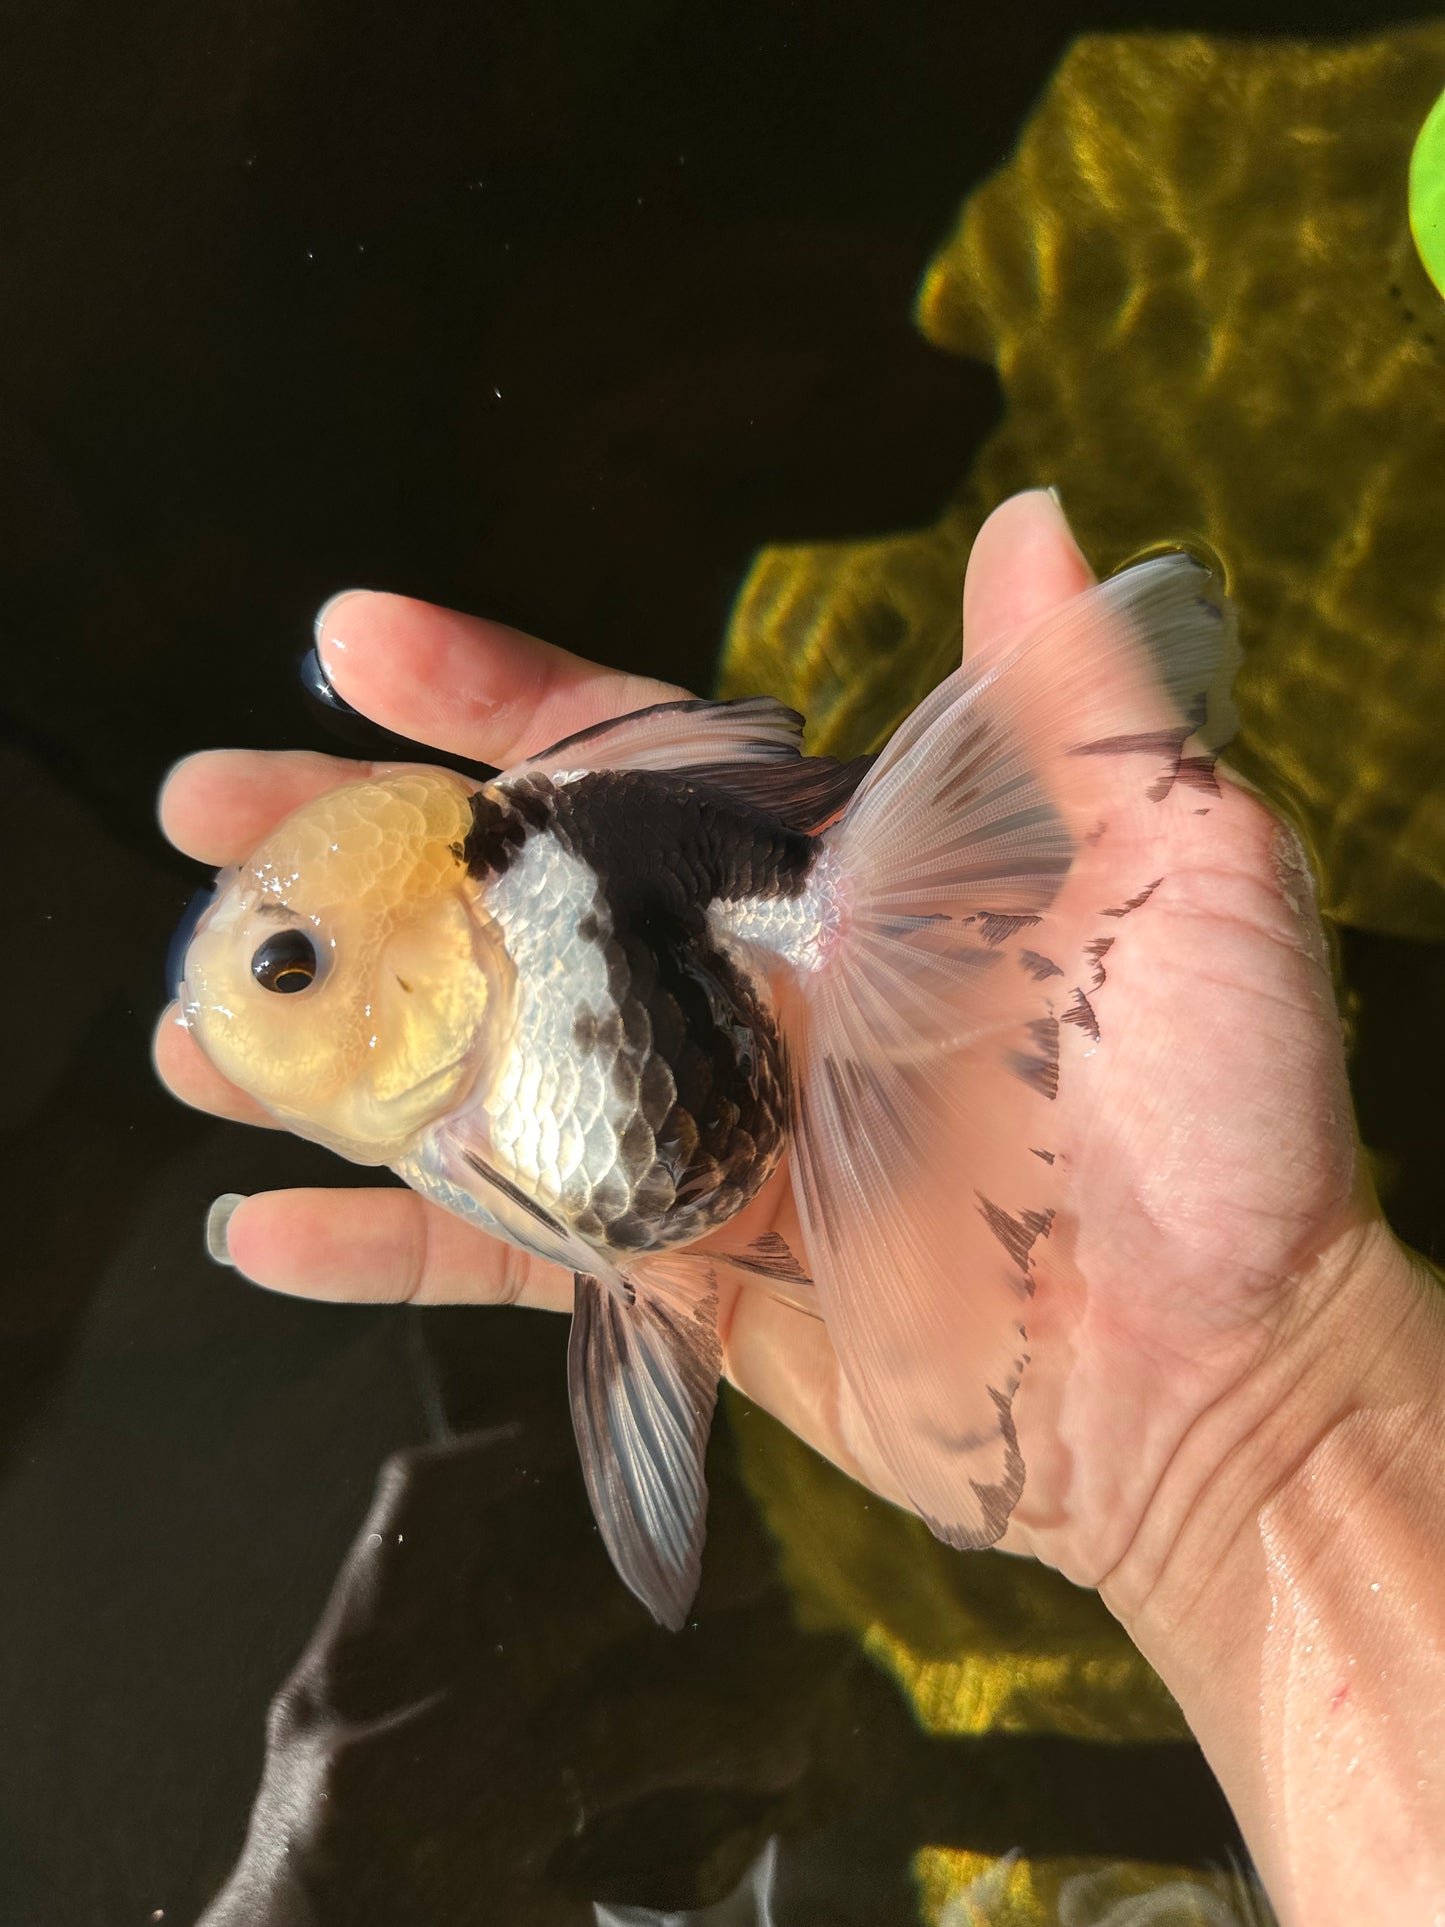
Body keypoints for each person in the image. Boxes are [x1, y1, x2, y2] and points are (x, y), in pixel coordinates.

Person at [153, 489, 1445, 1924]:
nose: (242, 1007)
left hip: (740, 943)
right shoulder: (452, 1125)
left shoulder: (497, 1051)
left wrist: (1262, 1417)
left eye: (291, 969)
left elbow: (617, 1229)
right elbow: (621, 1271)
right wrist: (1261, 1434)